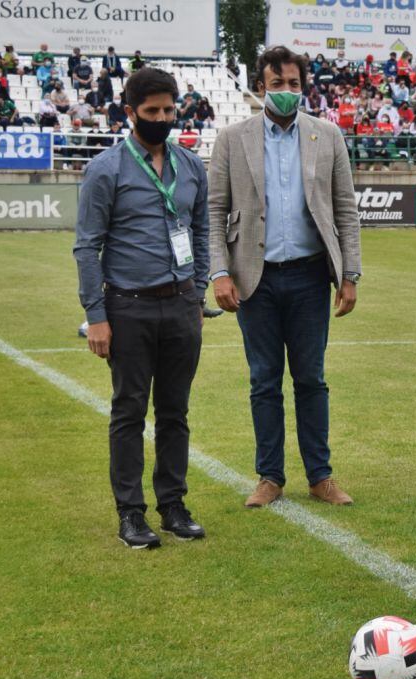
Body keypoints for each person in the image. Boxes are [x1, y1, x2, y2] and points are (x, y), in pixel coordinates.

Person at [208, 45, 361, 509]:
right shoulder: (232, 138)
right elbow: (214, 212)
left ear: (304, 86)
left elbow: (346, 210)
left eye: (294, 84)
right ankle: (269, 477)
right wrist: (219, 272)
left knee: (311, 379)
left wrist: (349, 274)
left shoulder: (327, 135)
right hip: (254, 279)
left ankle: (320, 476)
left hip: (311, 277)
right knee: (264, 380)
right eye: (278, 84)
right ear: (261, 87)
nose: (287, 92)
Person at [72, 67, 211, 549]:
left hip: (180, 305)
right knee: (129, 411)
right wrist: (97, 315)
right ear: (130, 113)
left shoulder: (191, 166)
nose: (162, 118)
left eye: (169, 110)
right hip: (127, 306)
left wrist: (197, 293)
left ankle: (172, 505)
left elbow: (199, 233)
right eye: (152, 111)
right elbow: (87, 247)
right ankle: (131, 513)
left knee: (175, 411)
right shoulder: (105, 169)